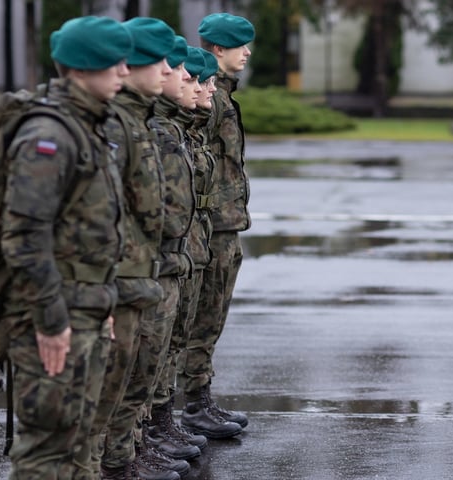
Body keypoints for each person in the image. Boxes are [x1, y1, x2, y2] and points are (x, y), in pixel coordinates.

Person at [0, 16, 130, 479]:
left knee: (78, 442)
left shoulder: (88, 126)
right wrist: (51, 321)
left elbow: (90, 232)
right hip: (53, 319)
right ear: (83, 67)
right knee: (45, 450)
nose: (124, 72)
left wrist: (104, 300)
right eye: (114, 62)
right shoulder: (48, 137)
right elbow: (25, 236)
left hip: (85, 310)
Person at [90, 17, 185, 480]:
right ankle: (114, 461)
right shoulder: (115, 124)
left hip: (140, 273)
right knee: (111, 385)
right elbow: (102, 211)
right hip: (119, 279)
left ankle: (122, 457)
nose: (173, 72)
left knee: (135, 375)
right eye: (163, 62)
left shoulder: (137, 119)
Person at [179, 12, 255, 438]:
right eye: (240, 45)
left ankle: (199, 400)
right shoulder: (210, 97)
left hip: (224, 224)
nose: (246, 53)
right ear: (218, 49)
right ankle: (192, 405)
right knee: (201, 319)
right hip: (211, 227)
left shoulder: (222, 94)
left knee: (210, 317)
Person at [146, 41, 211, 459]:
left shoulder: (173, 128)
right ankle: (131, 448)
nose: (199, 87)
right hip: (148, 264)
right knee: (144, 360)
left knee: (167, 348)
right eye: (189, 76)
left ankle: (147, 435)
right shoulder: (150, 130)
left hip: (181, 251)